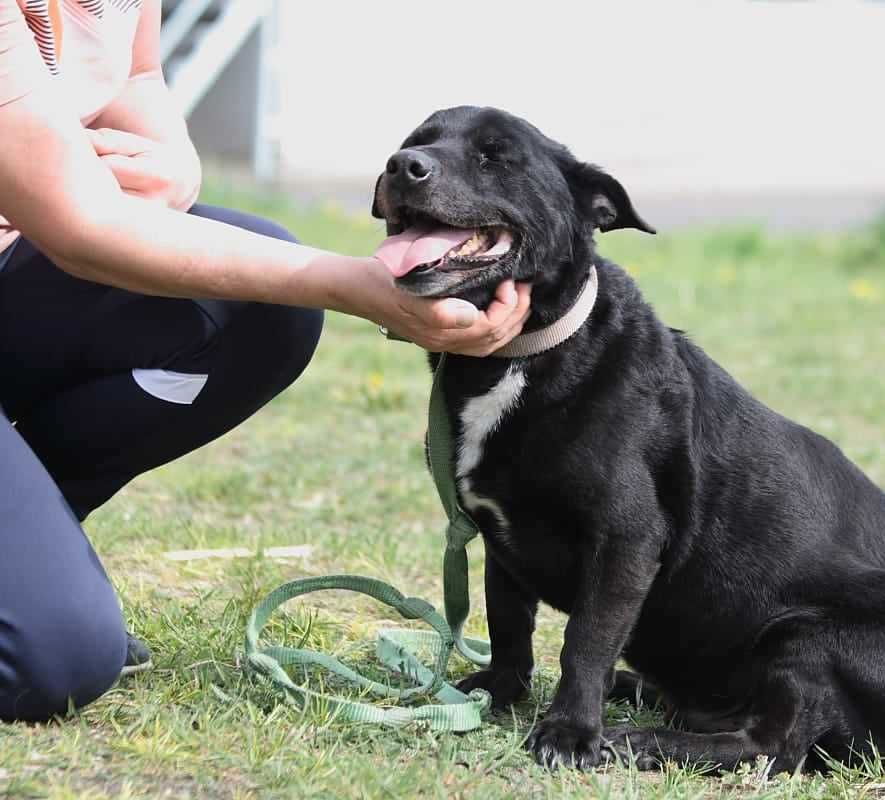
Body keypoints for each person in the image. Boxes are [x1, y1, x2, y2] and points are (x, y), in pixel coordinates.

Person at [0, 0, 530, 723]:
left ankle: (32, 551)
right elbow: (81, 226)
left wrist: (175, 166)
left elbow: (137, 74)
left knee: (259, 312)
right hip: (53, 235)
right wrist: (360, 287)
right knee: (53, 660)